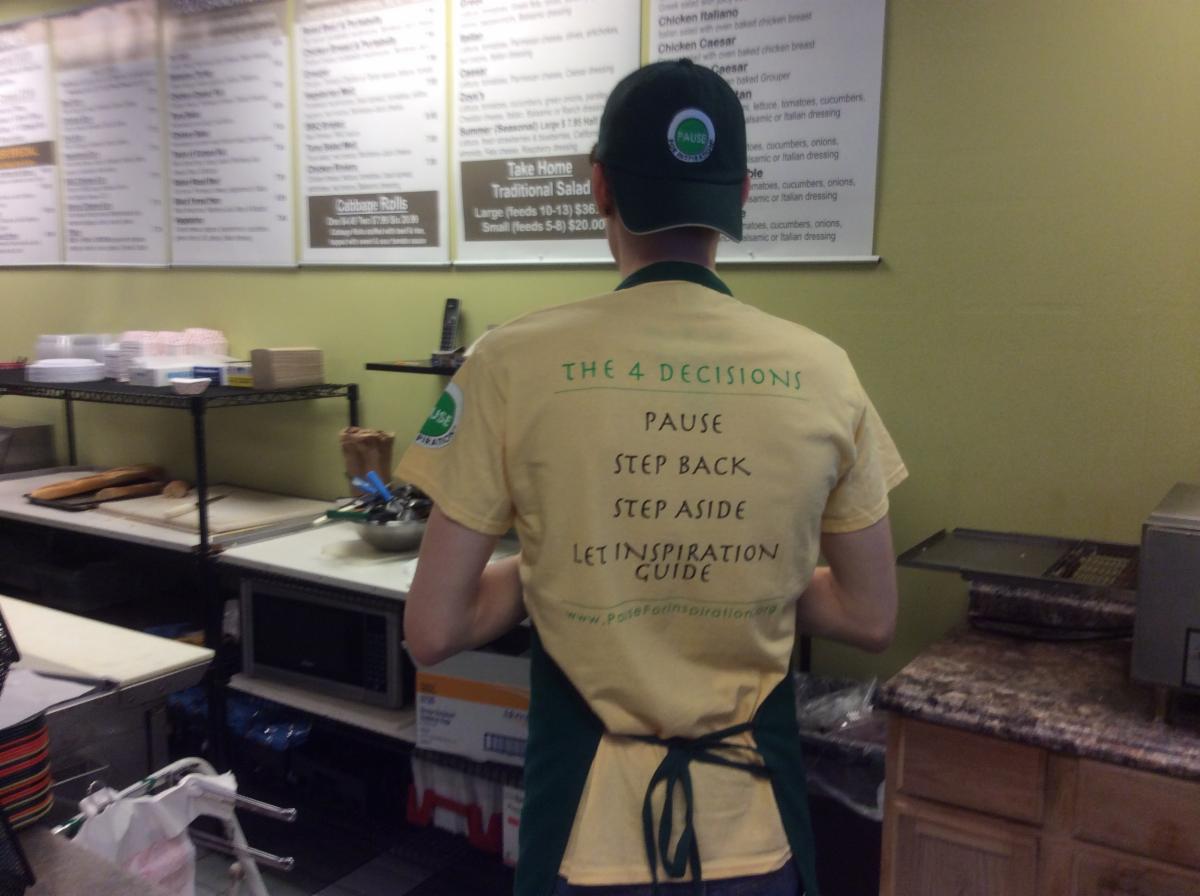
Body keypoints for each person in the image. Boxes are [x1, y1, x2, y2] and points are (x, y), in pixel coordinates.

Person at [395, 59, 906, 896]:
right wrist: (739, 570)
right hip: (757, 835)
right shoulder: (825, 372)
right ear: (742, 194)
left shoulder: (508, 363)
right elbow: (870, 614)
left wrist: (565, 565)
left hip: (581, 837)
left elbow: (433, 629)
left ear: (599, 185)